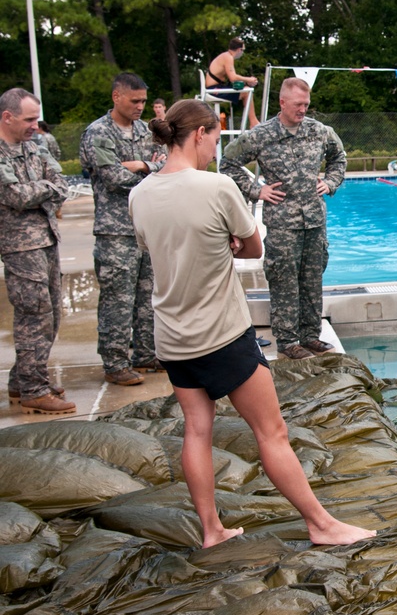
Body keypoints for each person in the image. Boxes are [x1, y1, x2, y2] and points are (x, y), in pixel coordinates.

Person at [130, 99, 376, 549]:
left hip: (171, 334)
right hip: (220, 332)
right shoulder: (217, 187)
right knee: (272, 432)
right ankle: (321, 525)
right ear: (200, 134)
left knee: (197, 430)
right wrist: (223, 245)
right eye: (214, 137)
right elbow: (251, 248)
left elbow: (156, 248)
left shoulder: (140, 193)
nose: (214, 148)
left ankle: (212, 531)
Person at [220, 77, 346, 360]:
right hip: (282, 225)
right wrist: (256, 190)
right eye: (298, 105)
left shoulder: (319, 131)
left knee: (313, 279)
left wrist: (331, 182)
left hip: (314, 221)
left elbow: (339, 158)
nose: (303, 110)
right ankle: (288, 341)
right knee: (283, 280)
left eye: (307, 105)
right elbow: (227, 163)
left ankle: (311, 336)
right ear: (282, 102)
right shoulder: (261, 135)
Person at [79, 72, 166, 386]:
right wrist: (151, 170)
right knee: (118, 299)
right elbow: (113, 179)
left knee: (148, 296)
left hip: (146, 227)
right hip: (115, 230)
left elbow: (166, 163)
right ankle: (115, 362)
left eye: (144, 100)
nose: (141, 106)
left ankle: (146, 354)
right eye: (135, 101)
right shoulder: (98, 133)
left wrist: (143, 166)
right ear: (116, 97)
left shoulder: (146, 130)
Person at [0, 88, 75, 414]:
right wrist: (46, 189)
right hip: (20, 246)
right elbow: (14, 197)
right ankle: (33, 389)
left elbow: (62, 186)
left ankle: (24, 378)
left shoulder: (34, 147)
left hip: (47, 240)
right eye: (29, 119)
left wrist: (42, 190)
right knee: (34, 316)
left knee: (52, 316)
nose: (35, 125)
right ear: (7, 116)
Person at [205, 37, 259, 128]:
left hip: (215, 87)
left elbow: (234, 79)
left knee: (246, 89)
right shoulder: (228, 57)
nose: (242, 53)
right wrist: (249, 79)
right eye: (243, 50)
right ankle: (253, 122)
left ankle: (253, 121)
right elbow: (233, 78)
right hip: (214, 89)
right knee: (246, 92)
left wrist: (247, 82)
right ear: (239, 49)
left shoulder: (226, 56)